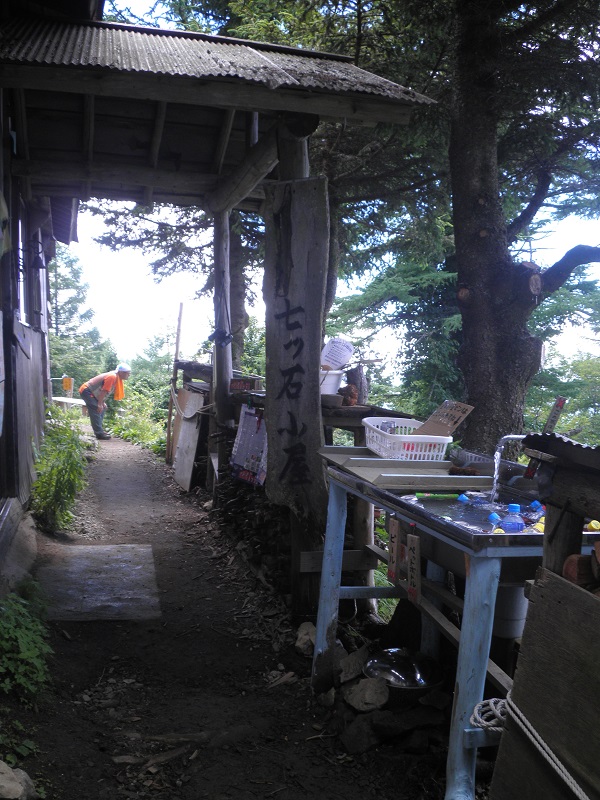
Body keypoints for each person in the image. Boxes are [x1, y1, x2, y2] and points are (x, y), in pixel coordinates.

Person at [79, 363, 131, 439]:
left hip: (93, 392)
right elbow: (104, 391)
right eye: (128, 373)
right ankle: (99, 433)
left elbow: (105, 392)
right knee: (96, 408)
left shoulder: (116, 377)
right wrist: (99, 403)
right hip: (87, 390)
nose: (129, 375)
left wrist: (102, 403)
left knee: (103, 408)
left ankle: (100, 430)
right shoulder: (112, 377)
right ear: (121, 372)